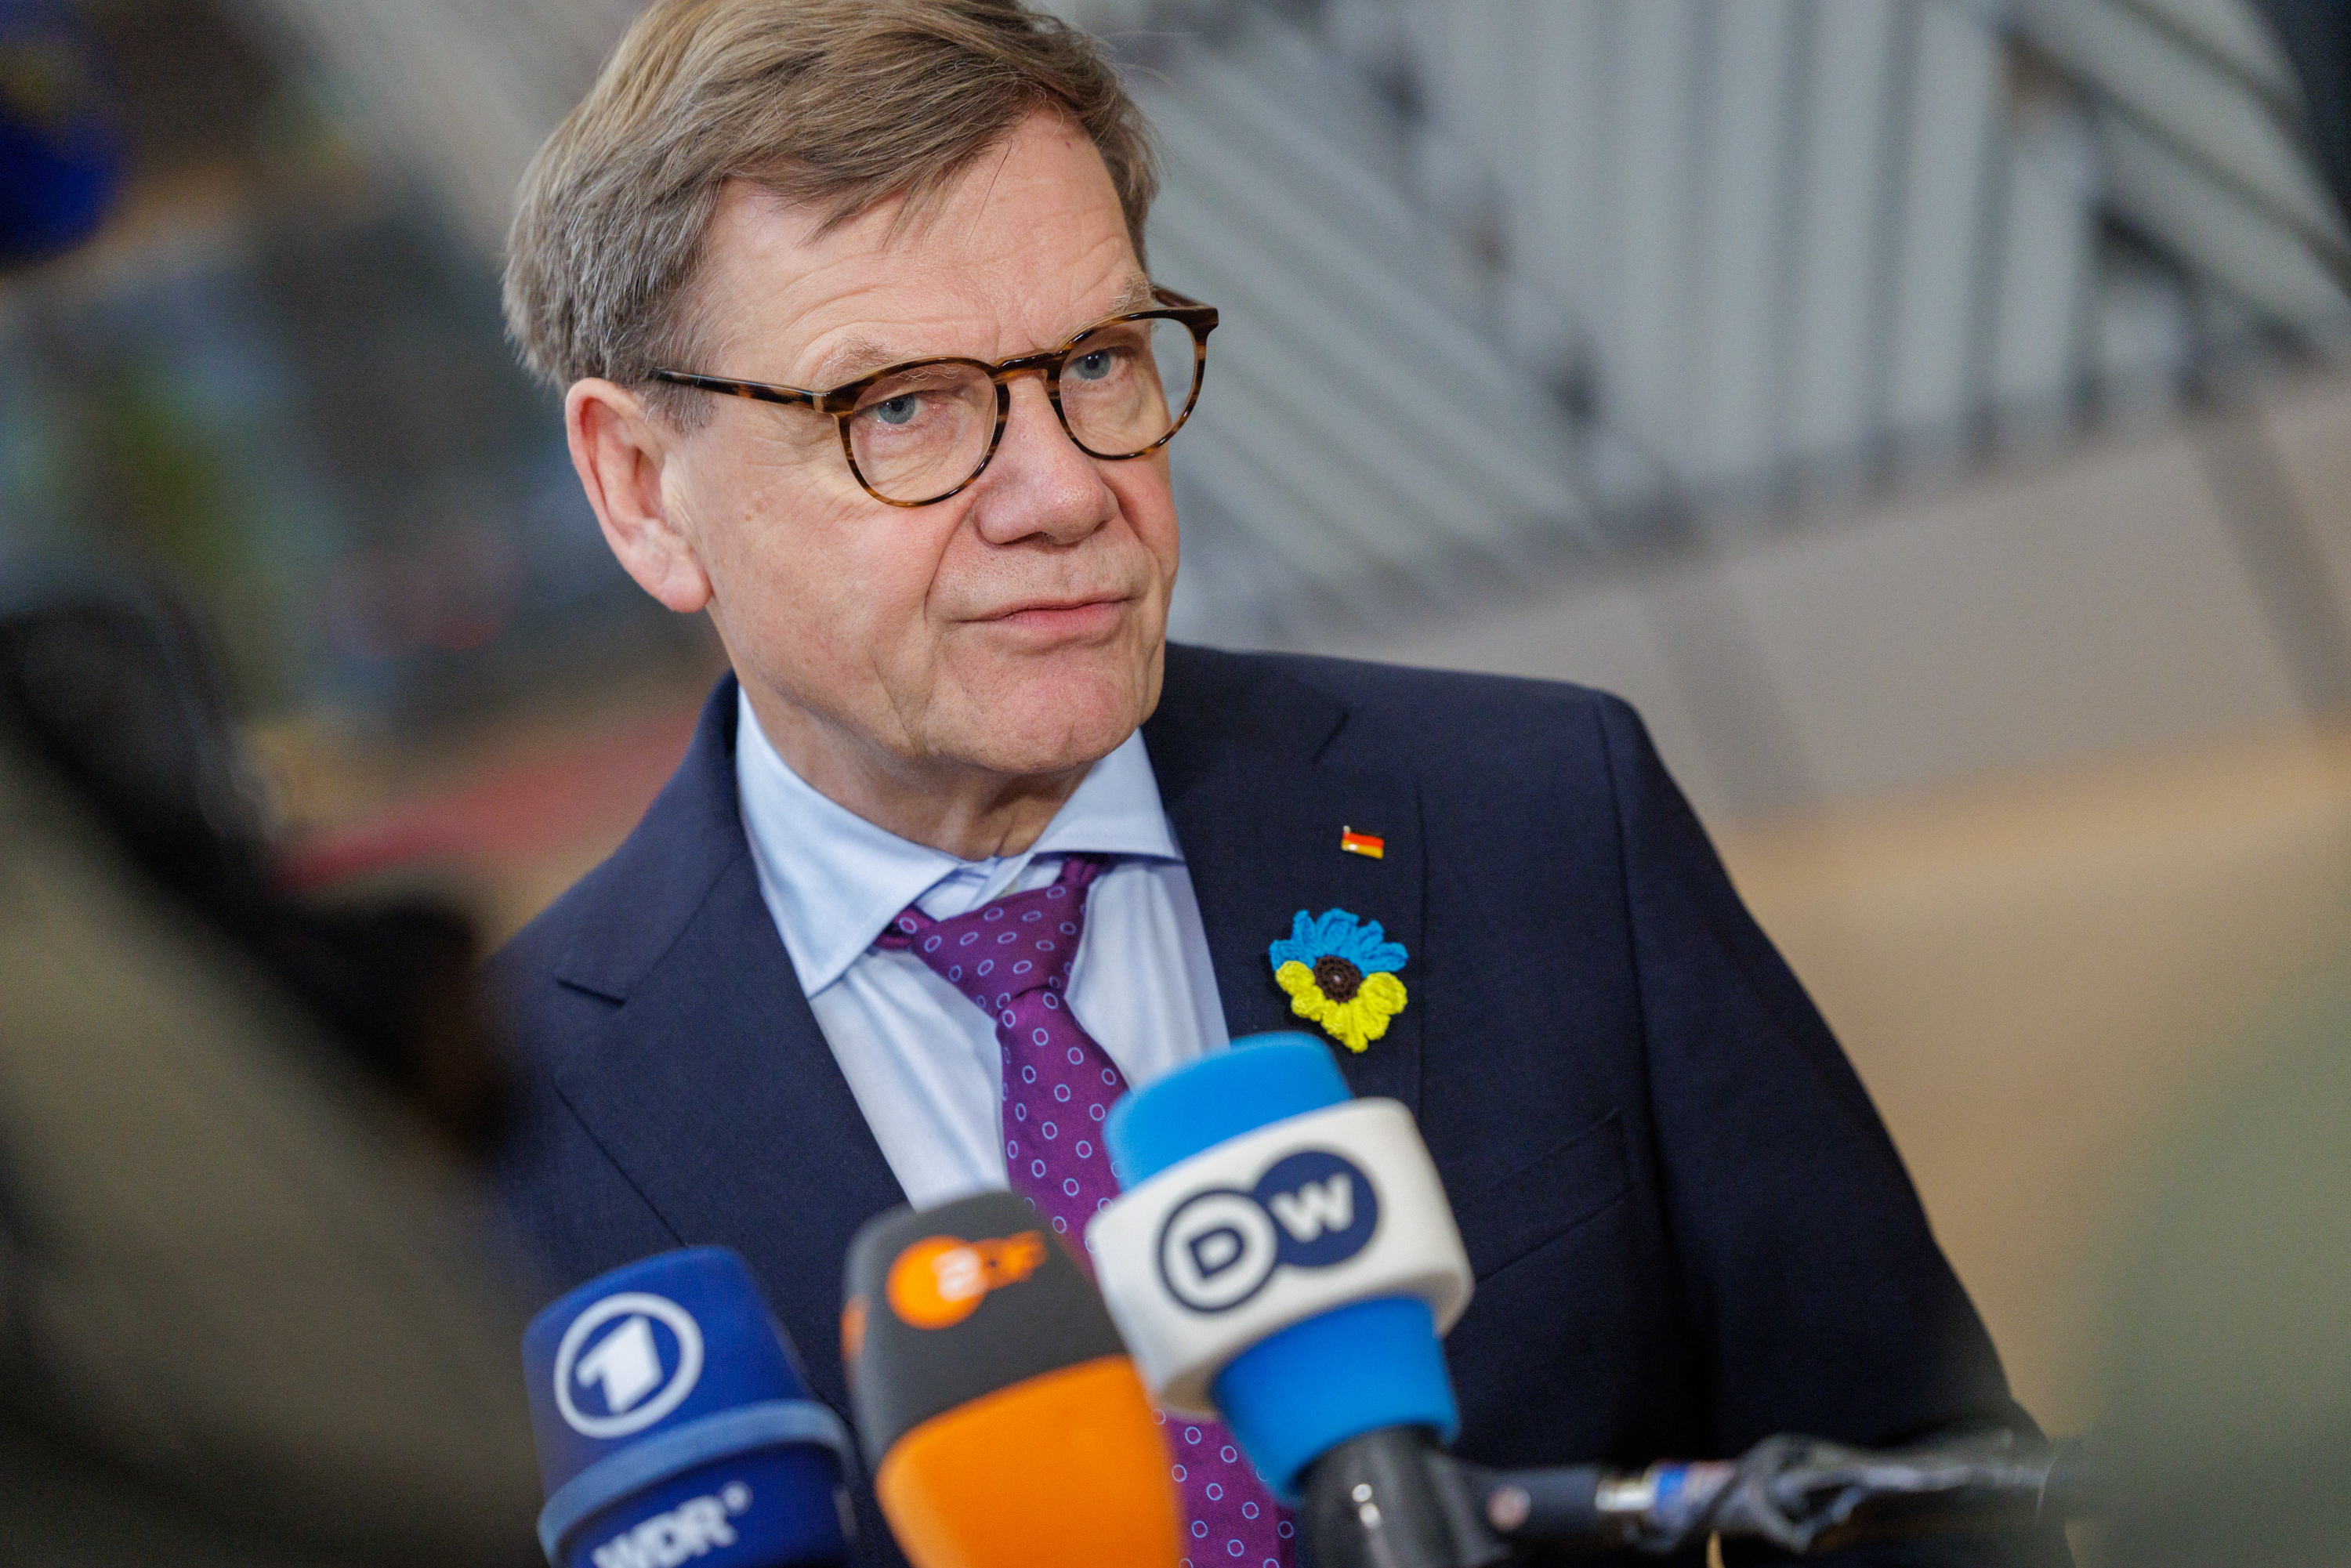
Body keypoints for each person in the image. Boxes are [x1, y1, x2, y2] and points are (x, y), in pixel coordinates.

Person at [490, 4, 2067, 1565]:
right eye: (901, 404)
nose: (1064, 491)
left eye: (1098, 361)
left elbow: (1919, 1483)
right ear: (643, 489)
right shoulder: (492, 1133)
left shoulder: (1536, 816)